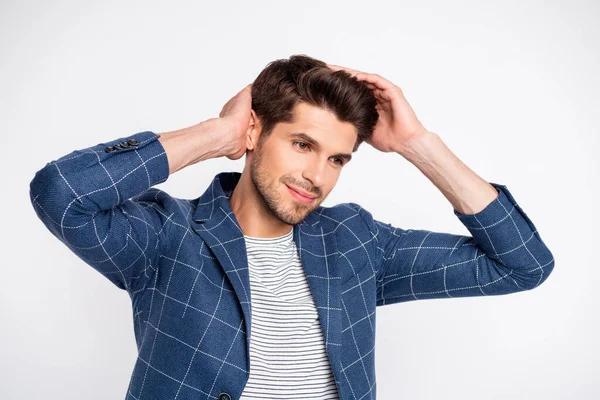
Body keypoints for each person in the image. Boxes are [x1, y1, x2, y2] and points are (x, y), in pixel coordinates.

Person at [29, 54, 555, 400]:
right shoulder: (167, 236)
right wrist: (217, 134)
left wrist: (420, 146)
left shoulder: (356, 242)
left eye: (337, 159)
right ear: (256, 130)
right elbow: (62, 194)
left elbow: (522, 265)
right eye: (303, 145)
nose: (317, 176)